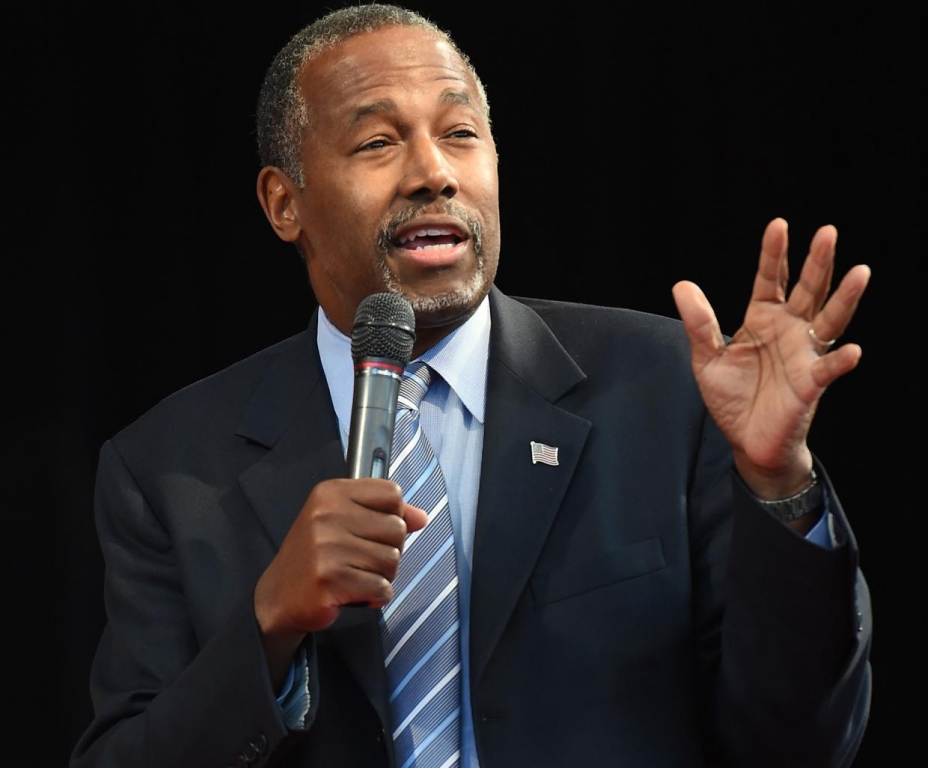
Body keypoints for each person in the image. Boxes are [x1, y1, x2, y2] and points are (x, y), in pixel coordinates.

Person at [70, 4, 873, 767]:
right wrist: (267, 625)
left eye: (460, 134)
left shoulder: (665, 387)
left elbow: (802, 744)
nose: (432, 173)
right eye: (378, 143)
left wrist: (779, 484)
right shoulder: (169, 472)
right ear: (285, 202)